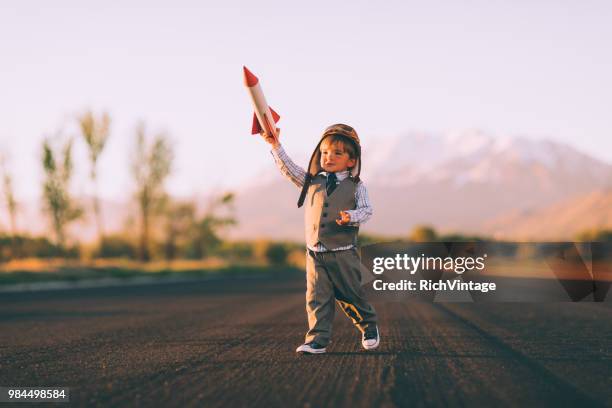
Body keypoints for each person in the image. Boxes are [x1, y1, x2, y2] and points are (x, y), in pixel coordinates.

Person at [260, 123, 379, 354]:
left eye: (337, 153)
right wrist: (275, 145)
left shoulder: (357, 187)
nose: (329, 157)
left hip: (343, 252)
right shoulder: (312, 181)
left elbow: (367, 210)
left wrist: (351, 216)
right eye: (324, 152)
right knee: (316, 297)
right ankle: (317, 339)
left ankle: (369, 325)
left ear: (352, 160)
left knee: (350, 294)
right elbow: (289, 169)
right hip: (315, 252)